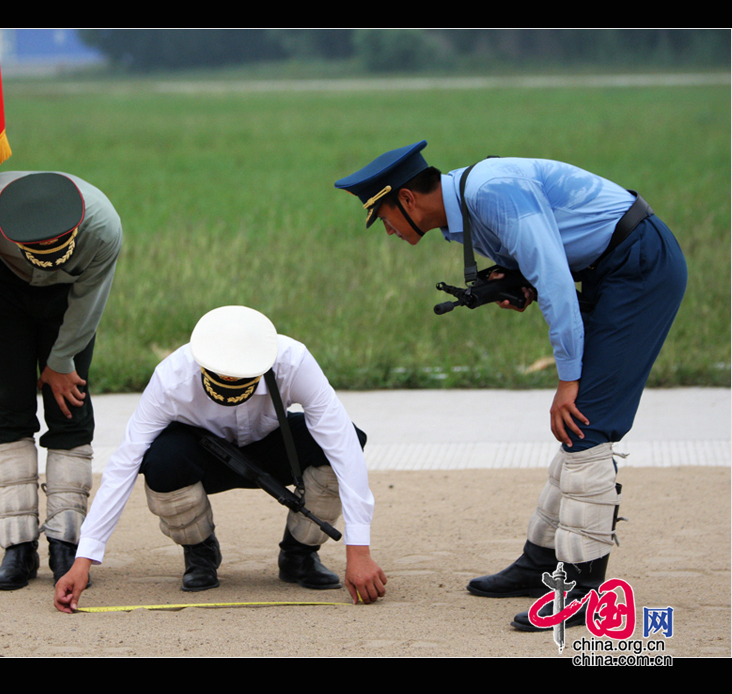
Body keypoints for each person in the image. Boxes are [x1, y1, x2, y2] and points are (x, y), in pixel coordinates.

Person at [335, 141, 686, 630]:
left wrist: (567, 378)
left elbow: (558, 282)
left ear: (409, 200)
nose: (389, 231)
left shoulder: (491, 192)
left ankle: (584, 592)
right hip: (613, 268)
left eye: (385, 218)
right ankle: (540, 565)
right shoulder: (469, 208)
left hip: (639, 267)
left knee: (585, 424)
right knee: (576, 430)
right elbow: (544, 265)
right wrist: (518, 284)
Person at [55, 305, 387, 613]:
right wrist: (84, 559)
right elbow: (123, 464)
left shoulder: (293, 361)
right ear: (200, 364)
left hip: (274, 448)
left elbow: (342, 443)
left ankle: (299, 555)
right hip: (202, 459)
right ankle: (200, 553)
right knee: (160, 460)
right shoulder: (171, 377)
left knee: (349, 441)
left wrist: (359, 551)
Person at [0, 171, 122, 590]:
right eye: (31, 247)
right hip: (3, 293)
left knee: (68, 407)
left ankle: (65, 543)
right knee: (8, 413)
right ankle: (17, 548)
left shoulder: (104, 227)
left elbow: (89, 300)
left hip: (69, 302)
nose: (42, 251)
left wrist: (60, 361)